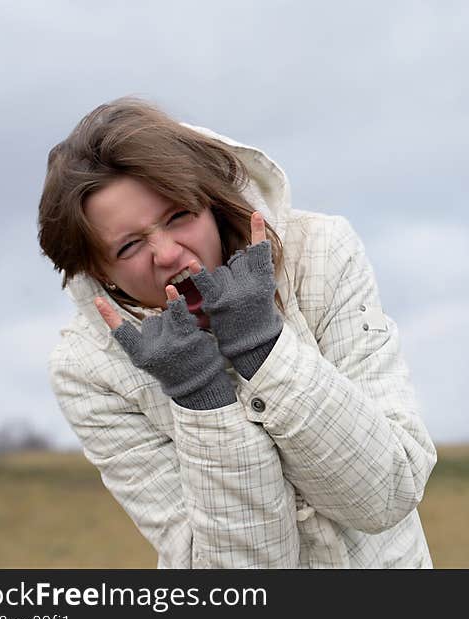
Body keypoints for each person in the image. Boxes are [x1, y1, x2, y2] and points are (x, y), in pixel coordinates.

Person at [38, 97, 437, 568]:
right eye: (128, 246)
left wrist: (263, 348)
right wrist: (199, 395)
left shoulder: (322, 254)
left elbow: (387, 495)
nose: (167, 253)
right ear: (98, 271)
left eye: (179, 215)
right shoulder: (88, 368)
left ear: (212, 203)